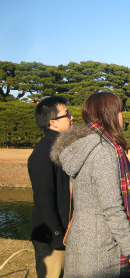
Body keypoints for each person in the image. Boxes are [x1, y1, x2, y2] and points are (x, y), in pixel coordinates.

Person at [50, 92, 130, 278]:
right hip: (102, 247)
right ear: (109, 115)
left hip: (85, 239)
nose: (123, 115)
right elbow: (112, 208)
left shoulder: (85, 145)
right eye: (120, 111)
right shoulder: (103, 151)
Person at [28, 96, 74, 278]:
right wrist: (56, 235)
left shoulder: (64, 147)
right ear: (53, 123)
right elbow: (43, 199)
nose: (72, 117)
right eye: (67, 114)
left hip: (66, 233)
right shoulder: (43, 153)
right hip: (52, 237)